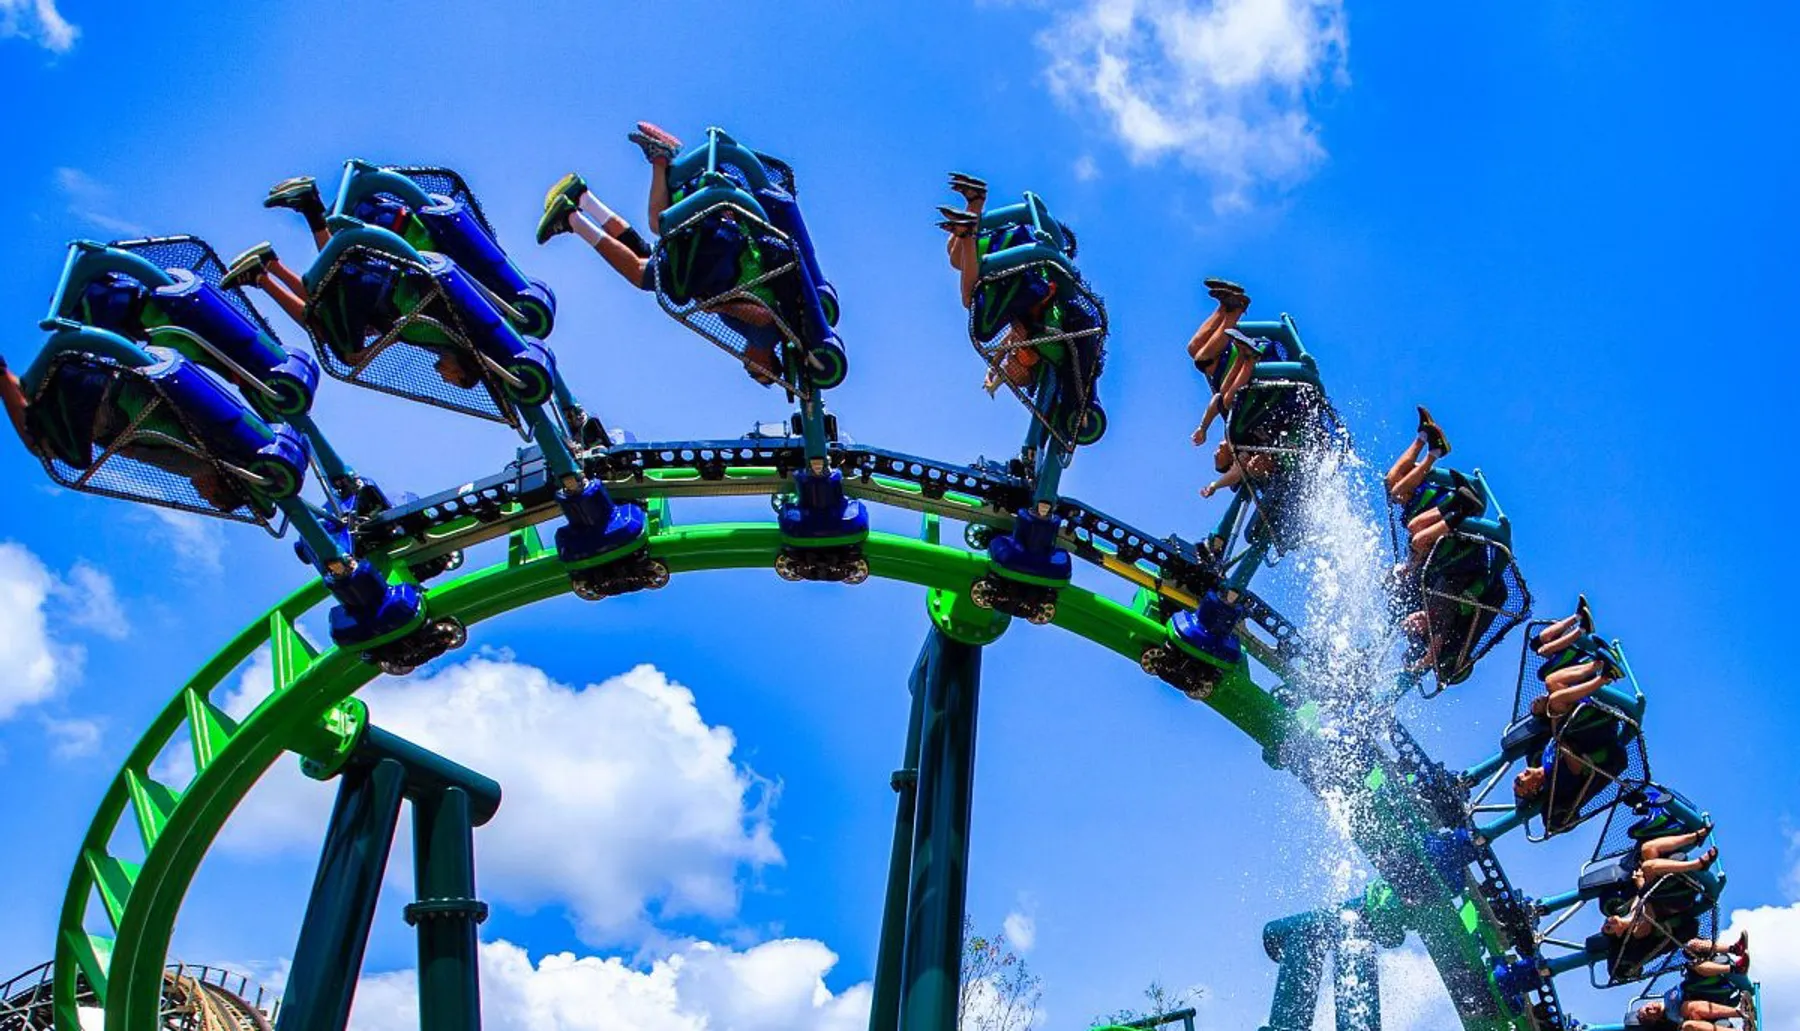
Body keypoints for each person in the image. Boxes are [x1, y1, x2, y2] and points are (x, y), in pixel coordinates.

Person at [538, 122, 811, 385]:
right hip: (713, 263)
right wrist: (718, 305)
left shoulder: (760, 337)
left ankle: (583, 197)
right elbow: (763, 315)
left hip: (717, 262)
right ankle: (574, 217)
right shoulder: (767, 338)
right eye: (757, 373)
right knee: (644, 265)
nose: (747, 366)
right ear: (769, 365)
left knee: (644, 253)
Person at [1, 351, 243, 511]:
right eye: (210, 498)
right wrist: (133, 451)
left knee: (34, 406)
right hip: (102, 405)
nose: (202, 497)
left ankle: (7, 379)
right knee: (42, 447)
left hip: (111, 388)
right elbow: (157, 455)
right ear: (216, 487)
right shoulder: (200, 464)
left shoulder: (209, 448)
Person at [1185, 279, 1262, 446]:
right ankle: (1233, 309)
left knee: (1194, 350)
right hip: (1240, 375)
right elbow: (1221, 399)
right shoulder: (1240, 439)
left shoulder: (1235, 434)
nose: (1217, 451)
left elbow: (1217, 401)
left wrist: (1203, 428)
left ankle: (1228, 307)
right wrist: (1203, 429)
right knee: (1202, 360)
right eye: (1218, 458)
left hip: (1233, 374)